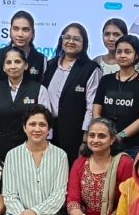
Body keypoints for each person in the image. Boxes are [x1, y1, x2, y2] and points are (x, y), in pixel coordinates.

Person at [4, 105, 70, 215]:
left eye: (42, 124)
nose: (37, 129)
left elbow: (59, 195)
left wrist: (35, 212)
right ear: (24, 128)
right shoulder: (12, 155)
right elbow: (9, 196)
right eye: (32, 124)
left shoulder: (60, 156)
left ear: (49, 129)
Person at [42, 23, 101, 164]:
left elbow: (91, 106)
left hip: (75, 133)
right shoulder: (49, 65)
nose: (70, 41)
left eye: (76, 39)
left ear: (84, 43)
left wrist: (86, 137)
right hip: (48, 132)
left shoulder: (91, 69)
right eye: (67, 37)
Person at [0, 46, 52, 160]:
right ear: (4, 67)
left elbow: (46, 122)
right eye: (8, 62)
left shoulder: (39, 90)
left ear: (25, 65)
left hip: (30, 150)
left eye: (17, 62)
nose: (13, 66)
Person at [93, 35, 139, 159]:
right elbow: (96, 112)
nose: (122, 55)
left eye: (127, 52)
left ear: (136, 56)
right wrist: (105, 134)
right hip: (105, 144)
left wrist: (119, 136)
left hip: (132, 146)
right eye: (119, 51)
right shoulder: (106, 80)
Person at [0, 10, 46, 83]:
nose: (20, 34)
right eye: (16, 29)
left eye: (25, 30)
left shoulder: (41, 60)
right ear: (10, 31)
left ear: (33, 33)